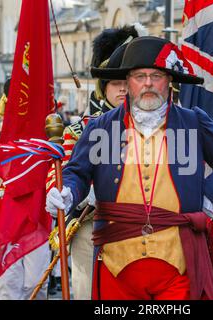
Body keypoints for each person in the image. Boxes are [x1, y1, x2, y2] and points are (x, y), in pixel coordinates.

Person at [45, 36, 213, 300]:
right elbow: (78, 173)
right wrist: (67, 192)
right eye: (140, 76)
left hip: (179, 263)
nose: (148, 83)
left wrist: (208, 198)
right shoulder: (101, 127)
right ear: (128, 82)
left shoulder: (193, 122)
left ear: (170, 82)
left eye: (157, 75)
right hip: (116, 264)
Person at [46, 24, 146, 299]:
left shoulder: (155, 129)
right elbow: (59, 178)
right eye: (116, 83)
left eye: (129, 81)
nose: (124, 89)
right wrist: (71, 193)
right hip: (91, 226)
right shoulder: (77, 132)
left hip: (141, 229)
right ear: (104, 86)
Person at [0, 78, 51, 300]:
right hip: (6, 222)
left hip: (37, 220)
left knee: (36, 285)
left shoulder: (44, 147)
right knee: (9, 285)